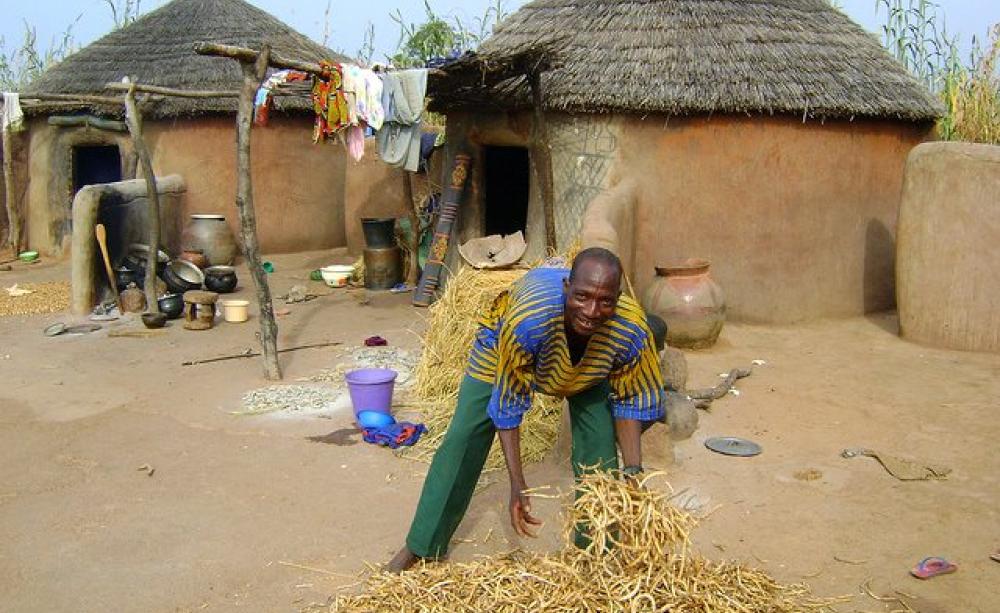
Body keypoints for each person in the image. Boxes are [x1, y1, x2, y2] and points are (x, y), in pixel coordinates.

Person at [387, 247, 665, 572]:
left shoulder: (630, 331)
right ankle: (421, 544)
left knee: (600, 452)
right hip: (501, 348)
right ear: (566, 288)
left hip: (589, 365)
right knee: (465, 434)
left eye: (605, 301)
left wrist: (633, 474)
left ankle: (595, 556)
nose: (591, 310)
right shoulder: (528, 321)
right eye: (582, 296)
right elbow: (508, 403)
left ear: (618, 298)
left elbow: (631, 401)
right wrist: (517, 483)